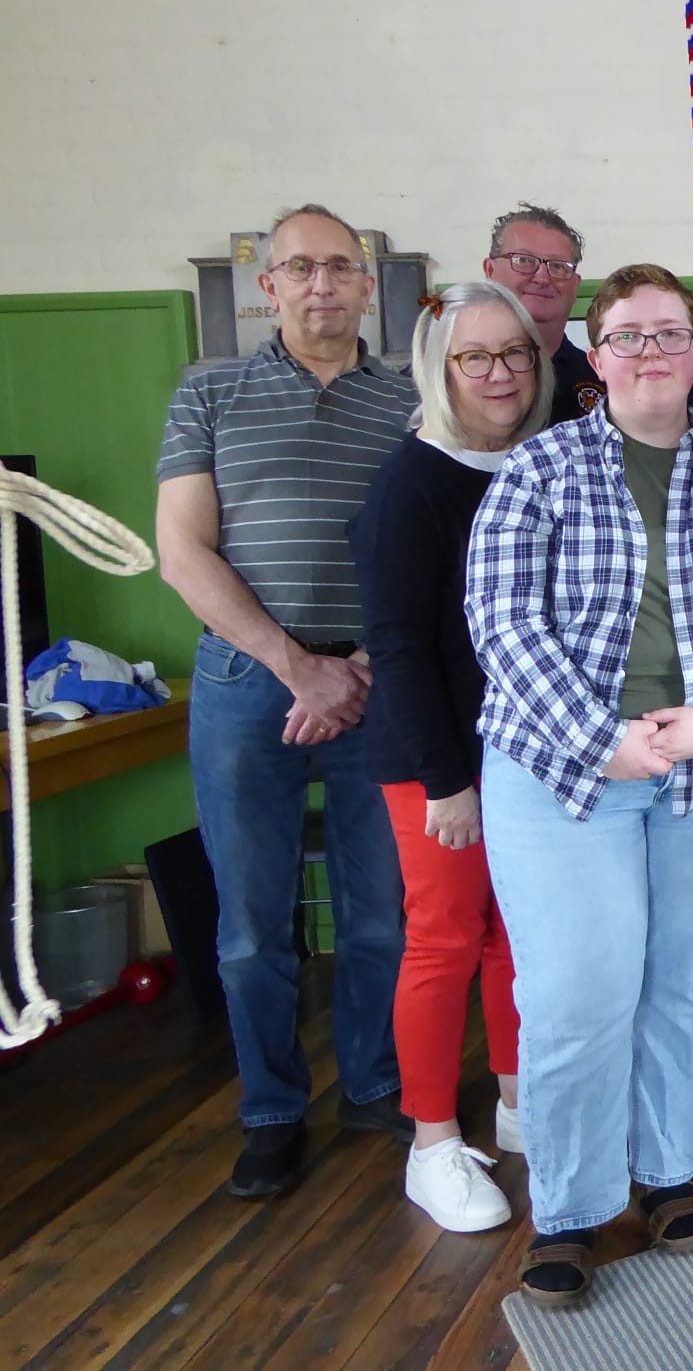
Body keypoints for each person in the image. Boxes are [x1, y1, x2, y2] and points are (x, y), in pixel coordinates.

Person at [466, 262, 693, 1304]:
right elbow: (503, 624)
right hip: (557, 770)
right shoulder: (537, 471)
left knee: (685, 982)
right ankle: (568, 1207)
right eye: (627, 336)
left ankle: (667, 1170)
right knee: (574, 995)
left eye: (667, 335)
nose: (649, 353)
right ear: (596, 358)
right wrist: (602, 740)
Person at [155, 203, 420, 1198]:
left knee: (376, 919)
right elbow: (182, 550)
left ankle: (373, 1083)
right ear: (266, 285)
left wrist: (354, 666)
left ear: (364, 285)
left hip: (371, 685)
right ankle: (269, 1110)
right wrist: (292, 665)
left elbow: (423, 556)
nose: (321, 285)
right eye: (299, 268)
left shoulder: (405, 402)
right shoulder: (208, 392)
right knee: (252, 926)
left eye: (339, 268)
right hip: (243, 686)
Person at [350, 280, 553, 1231]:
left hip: (520, 750)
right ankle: (432, 1144)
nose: (500, 372)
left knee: (515, 938)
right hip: (439, 758)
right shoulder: (412, 480)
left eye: (514, 352)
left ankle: (517, 1105)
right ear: (442, 368)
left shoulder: (534, 462)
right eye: (477, 357)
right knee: (442, 937)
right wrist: (445, 779)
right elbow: (394, 643)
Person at [482, 202, 599, 421]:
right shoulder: (440, 379)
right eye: (523, 261)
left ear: (575, 286)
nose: (542, 277)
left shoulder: (602, 383)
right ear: (490, 270)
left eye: (558, 266)